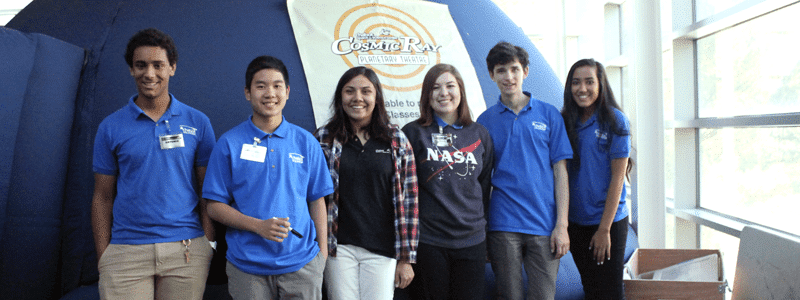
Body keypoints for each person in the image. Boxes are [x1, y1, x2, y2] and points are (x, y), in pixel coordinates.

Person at [91, 28, 216, 299]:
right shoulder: (110, 127)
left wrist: (207, 243)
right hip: (125, 251)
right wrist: (105, 256)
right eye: (141, 65)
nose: (149, 74)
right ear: (131, 70)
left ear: (172, 67)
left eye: (158, 65)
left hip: (186, 251)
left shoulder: (197, 122)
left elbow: (209, 189)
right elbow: (102, 196)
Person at [201, 55, 333, 299]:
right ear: (247, 93)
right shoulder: (229, 143)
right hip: (247, 268)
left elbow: (317, 200)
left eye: (277, 85)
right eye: (260, 86)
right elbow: (214, 207)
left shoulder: (306, 142)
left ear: (288, 91)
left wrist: (321, 257)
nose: (270, 93)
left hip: (302, 266)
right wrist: (258, 226)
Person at [476, 41, 573, 300]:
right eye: (501, 70)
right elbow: (481, 180)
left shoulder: (549, 115)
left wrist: (562, 225)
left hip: (544, 223)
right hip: (502, 223)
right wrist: (482, 228)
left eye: (514, 69)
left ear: (525, 72)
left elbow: (561, 172)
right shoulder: (485, 122)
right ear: (491, 75)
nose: (509, 77)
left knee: (544, 296)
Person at [313, 66, 419, 300]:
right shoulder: (324, 138)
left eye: (365, 91)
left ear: (377, 97)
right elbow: (313, 197)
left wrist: (406, 257)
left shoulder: (396, 139)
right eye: (350, 91)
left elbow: (410, 201)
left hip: (383, 250)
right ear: (340, 97)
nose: (357, 98)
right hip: (338, 249)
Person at [400, 63, 493, 299]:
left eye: (450, 86)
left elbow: (483, 186)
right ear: (426, 95)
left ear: (460, 90)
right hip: (430, 241)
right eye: (435, 87)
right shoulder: (412, 133)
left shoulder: (479, 134)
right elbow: (403, 191)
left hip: (472, 240)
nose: (444, 93)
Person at [561, 59, 632, 300]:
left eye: (589, 82)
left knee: (610, 293)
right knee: (591, 290)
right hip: (576, 223)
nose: (582, 89)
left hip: (608, 223)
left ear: (600, 84)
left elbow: (618, 179)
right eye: (576, 82)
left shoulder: (615, 121)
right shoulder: (565, 121)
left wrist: (604, 230)